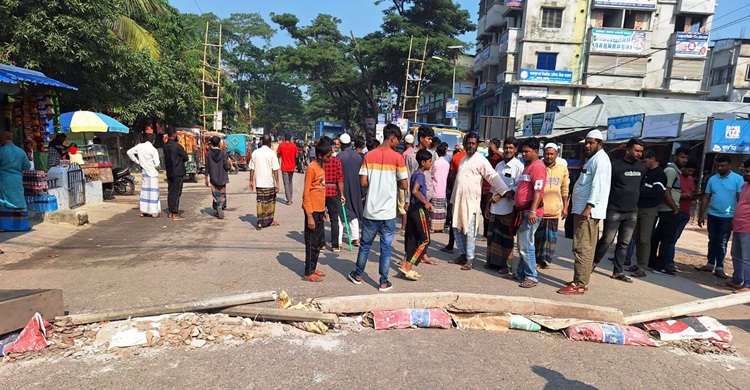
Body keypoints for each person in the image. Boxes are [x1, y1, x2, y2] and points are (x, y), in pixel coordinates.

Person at [348, 124, 408, 292]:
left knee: (365, 245)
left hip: (371, 210)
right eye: (398, 140)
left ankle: (358, 275)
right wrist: (391, 183)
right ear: (393, 138)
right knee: (386, 248)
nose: (398, 143)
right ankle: (383, 282)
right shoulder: (398, 158)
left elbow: (363, 182)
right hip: (388, 212)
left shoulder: (369, 156)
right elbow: (404, 184)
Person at [557, 130, 611, 295]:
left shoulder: (600, 160)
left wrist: (588, 207)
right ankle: (580, 280)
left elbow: (597, 186)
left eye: (591, 143)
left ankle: (579, 284)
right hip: (583, 210)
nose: (587, 146)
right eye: (586, 143)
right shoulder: (594, 159)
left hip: (587, 211)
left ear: (599, 144)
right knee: (585, 247)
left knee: (582, 247)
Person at [448, 132, 511, 271]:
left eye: (473, 143)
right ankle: (462, 255)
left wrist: (505, 191)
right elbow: (458, 180)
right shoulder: (463, 159)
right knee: (457, 229)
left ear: (477, 145)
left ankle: (470, 259)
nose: (470, 145)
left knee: (470, 232)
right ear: (465, 144)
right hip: (458, 200)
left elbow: (492, 176)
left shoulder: (481, 160)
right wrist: (452, 201)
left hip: (471, 203)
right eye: (468, 143)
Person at [591, 138, 645, 283]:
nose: (639, 154)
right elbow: (606, 186)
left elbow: (641, 187)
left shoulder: (641, 167)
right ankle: (591, 264)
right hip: (614, 209)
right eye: (636, 151)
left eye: (641, 151)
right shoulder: (615, 166)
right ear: (628, 150)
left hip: (632, 211)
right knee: (607, 239)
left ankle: (617, 271)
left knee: (624, 243)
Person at [696, 154, 744, 279]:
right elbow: (706, 196)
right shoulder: (713, 179)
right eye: (718, 165)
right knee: (712, 240)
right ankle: (710, 263)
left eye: (722, 165)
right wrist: (701, 215)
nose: (720, 168)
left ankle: (720, 266)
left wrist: (736, 217)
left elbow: (740, 198)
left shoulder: (738, 179)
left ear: (729, 165)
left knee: (722, 242)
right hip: (712, 215)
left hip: (728, 216)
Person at [507, 137, 546, 288]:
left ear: (536, 152)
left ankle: (531, 276)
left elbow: (538, 191)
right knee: (523, 244)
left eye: (527, 152)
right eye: (523, 151)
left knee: (526, 244)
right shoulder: (528, 167)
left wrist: (532, 211)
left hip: (530, 212)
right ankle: (521, 273)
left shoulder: (537, 167)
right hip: (523, 211)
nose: (524, 154)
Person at [649, 147, 690, 276]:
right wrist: (675, 208)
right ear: (675, 157)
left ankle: (653, 262)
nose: (685, 160)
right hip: (668, 210)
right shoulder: (671, 171)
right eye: (682, 157)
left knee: (658, 237)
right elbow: (666, 191)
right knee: (667, 239)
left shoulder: (674, 171)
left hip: (668, 209)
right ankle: (660, 265)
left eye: (686, 158)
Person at [626, 149, 667, 278]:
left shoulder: (660, 175)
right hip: (638, 207)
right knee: (637, 237)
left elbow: (657, 192)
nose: (644, 164)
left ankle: (643, 266)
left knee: (644, 238)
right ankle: (638, 263)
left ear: (653, 159)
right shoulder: (645, 173)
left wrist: (639, 193)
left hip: (650, 209)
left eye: (645, 161)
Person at [486, 136, 524, 273]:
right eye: (506, 147)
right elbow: (494, 185)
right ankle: (493, 262)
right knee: (493, 236)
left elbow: (518, 188)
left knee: (506, 238)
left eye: (511, 148)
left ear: (515, 150)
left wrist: (500, 196)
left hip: (508, 207)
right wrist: (489, 202)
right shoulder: (499, 165)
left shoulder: (519, 167)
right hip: (495, 206)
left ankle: (506, 266)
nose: (508, 150)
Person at [403, 126, 437, 265]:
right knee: (414, 232)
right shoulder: (411, 155)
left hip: (426, 197)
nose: (430, 141)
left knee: (423, 228)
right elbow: (407, 178)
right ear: (421, 138)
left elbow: (432, 175)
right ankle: (408, 258)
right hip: (416, 199)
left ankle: (423, 255)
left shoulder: (431, 155)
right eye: (428, 139)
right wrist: (407, 199)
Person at [399, 149, 434, 280]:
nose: (431, 163)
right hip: (418, 210)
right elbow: (415, 191)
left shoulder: (415, 174)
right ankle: (408, 265)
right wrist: (425, 202)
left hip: (412, 210)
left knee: (412, 239)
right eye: (430, 161)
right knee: (426, 240)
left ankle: (408, 266)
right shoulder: (420, 175)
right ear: (423, 162)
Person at [534, 143, 569, 269]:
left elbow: (565, 188)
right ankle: (536, 259)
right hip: (539, 210)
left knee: (550, 238)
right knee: (537, 237)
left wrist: (565, 206)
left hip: (554, 210)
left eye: (551, 154)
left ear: (556, 155)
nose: (549, 156)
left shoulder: (562, 168)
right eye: (547, 154)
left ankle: (545, 260)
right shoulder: (538, 166)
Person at [302, 140, 332, 282]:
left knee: (319, 242)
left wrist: (324, 210)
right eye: (327, 156)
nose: (329, 158)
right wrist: (309, 215)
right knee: (311, 242)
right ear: (319, 155)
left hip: (320, 209)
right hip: (312, 210)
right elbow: (306, 193)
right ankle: (308, 272)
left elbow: (321, 190)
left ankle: (313, 267)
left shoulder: (322, 167)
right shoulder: (311, 168)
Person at [0, 130, 31, 234]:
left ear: (1, 139)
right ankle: (21, 225)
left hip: (4, 179)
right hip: (17, 179)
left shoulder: (1, 151)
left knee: (4, 201)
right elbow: (27, 166)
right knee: (18, 200)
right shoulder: (20, 151)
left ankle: (5, 226)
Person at [249, 134, 281, 230]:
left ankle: (260, 221)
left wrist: (251, 180)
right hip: (269, 182)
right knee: (270, 202)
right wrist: (277, 183)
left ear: (261, 141)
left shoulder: (255, 153)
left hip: (259, 182)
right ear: (270, 143)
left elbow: (252, 168)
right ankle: (269, 220)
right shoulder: (272, 154)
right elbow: (275, 169)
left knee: (260, 202)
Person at [439, 144, 467, 254]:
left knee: (454, 220)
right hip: (469, 194)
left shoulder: (456, 157)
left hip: (456, 192)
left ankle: (451, 246)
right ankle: (467, 251)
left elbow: (451, 175)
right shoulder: (478, 158)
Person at [319, 136, 346, 252]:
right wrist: (342, 195)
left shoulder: (319, 161)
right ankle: (335, 245)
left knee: (320, 218)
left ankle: (322, 243)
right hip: (333, 191)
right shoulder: (336, 161)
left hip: (321, 191)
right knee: (334, 219)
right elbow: (340, 179)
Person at [337, 133, 363, 247]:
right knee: (353, 210)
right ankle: (355, 237)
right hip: (356, 187)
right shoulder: (358, 156)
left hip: (342, 187)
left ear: (341, 144)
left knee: (340, 211)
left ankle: (337, 240)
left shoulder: (339, 157)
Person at [127, 134, 161, 218]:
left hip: (144, 172)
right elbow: (157, 164)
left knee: (144, 192)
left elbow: (129, 152)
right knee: (153, 192)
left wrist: (138, 162)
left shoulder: (139, 146)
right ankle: (154, 212)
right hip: (152, 173)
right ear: (153, 141)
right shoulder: (153, 150)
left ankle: (143, 211)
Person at [729, 159, 750, 293]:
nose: (746, 174)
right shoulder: (744, 186)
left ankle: (748, 285)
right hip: (738, 225)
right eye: (746, 171)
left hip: (748, 227)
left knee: (747, 257)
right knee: (735, 254)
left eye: (749, 171)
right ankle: (737, 279)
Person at [671, 158, 698, 256]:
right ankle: (668, 260)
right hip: (677, 209)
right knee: (672, 237)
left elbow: (692, 191)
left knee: (676, 237)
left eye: (692, 171)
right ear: (684, 168)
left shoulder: (690, 179)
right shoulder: (677, 176)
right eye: (689, 170)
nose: (690, 173)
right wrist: (681, 195)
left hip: (686, 211)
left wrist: (693, 196)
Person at [163, 128, 190, 220]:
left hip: (169, 171)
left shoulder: (165, 145)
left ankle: (171, 211)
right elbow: (186, 157)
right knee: (176, 192)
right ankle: (174, 213)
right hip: (177, 172)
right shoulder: (177, 146)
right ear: (174, 134)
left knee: (171, 191)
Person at [204, 136, 231, 219]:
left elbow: (207, 167)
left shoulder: (208, 153)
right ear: (219, 143)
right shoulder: (224, 153)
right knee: (222, 193)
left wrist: (206, 178)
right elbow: (226, 166)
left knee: (215, 193)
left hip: (213, 177)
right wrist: (229, 165)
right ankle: (220, 206)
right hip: (222, 177)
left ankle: (217, 207)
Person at [481, 138, 503, 238]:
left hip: (491, 188)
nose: (490, 149)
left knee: (489, 210)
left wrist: (496, 151)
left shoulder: (499, 159)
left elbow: (507, 158)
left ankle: (489, 232)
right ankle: (486, 232)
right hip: (483, 188)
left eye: (491, 147)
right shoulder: (486, 158)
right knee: (483, 210)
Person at [430, 142, 450, 232]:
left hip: (435, 188)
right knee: (442, 209)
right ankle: (441, 227)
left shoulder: (434, 163)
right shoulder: (447, 164)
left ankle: (433, 227)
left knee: (434, 210)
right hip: (443, 189)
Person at [276, 134, 298, 205]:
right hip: (292, 167)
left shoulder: (281, 145)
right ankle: (290, 197)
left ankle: (289, 200)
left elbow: (278, 154)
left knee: (286, 183)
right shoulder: (294, 146)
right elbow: (296, 155)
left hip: (285, 167)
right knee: (290, 182)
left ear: (285, 138)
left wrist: (280, 156)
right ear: (290, 138)